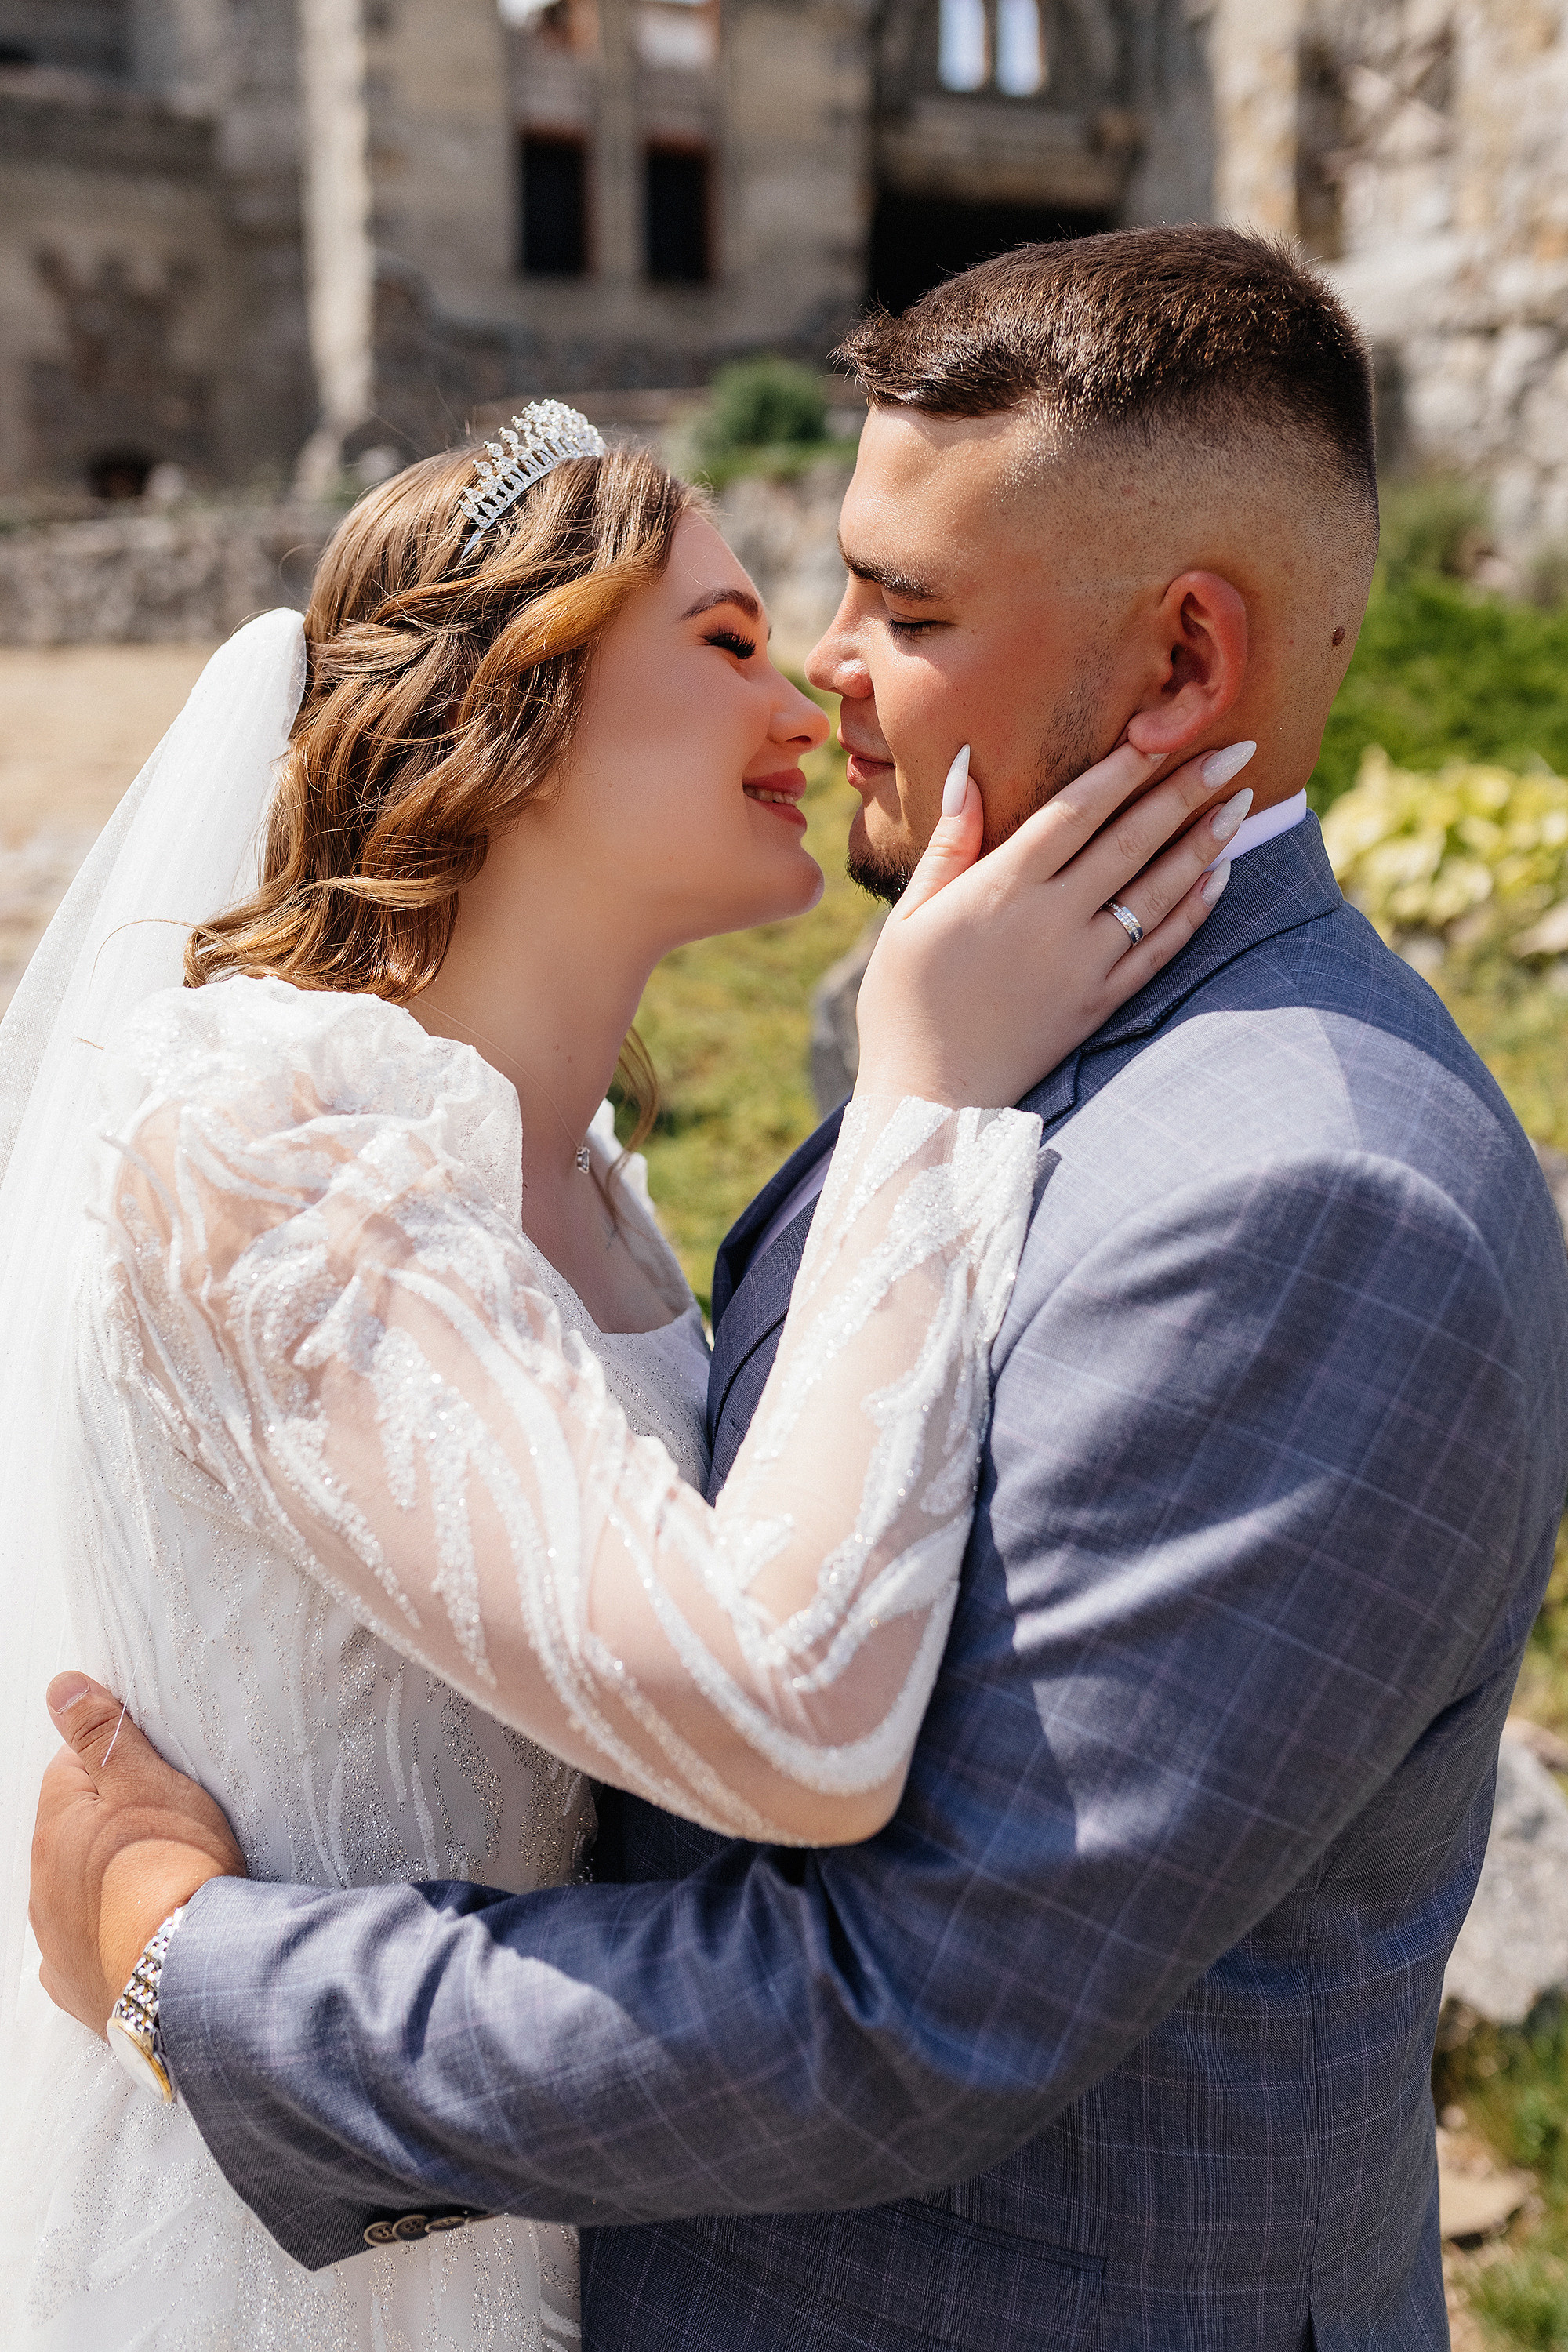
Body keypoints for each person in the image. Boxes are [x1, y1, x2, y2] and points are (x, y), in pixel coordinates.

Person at [29, 225, 1568, 2352]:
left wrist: (183, 1964)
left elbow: (902, 2013)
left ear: (1184, 661)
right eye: (780, 605)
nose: (829, 668)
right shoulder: (997, 1027)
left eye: (900, 606)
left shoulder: (1301, 1190)